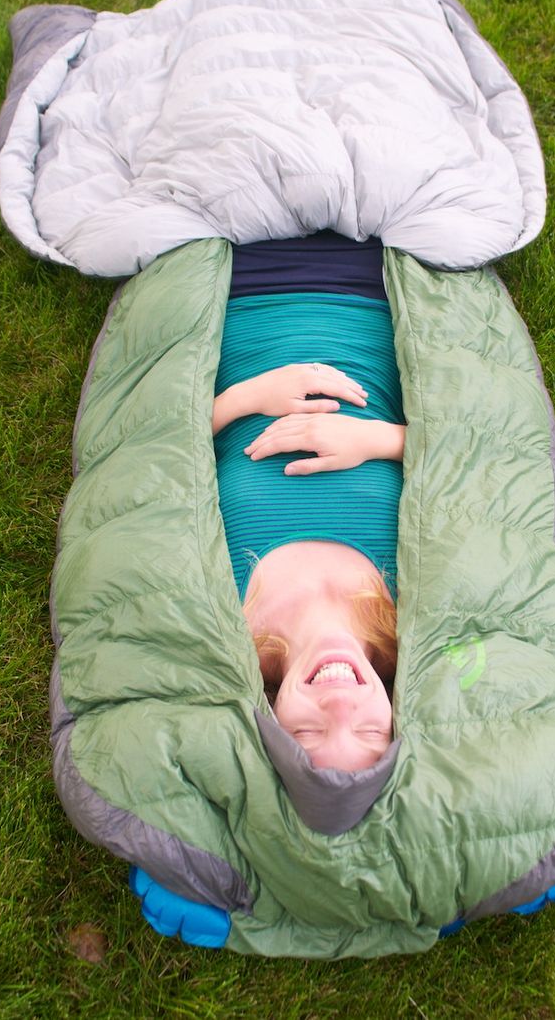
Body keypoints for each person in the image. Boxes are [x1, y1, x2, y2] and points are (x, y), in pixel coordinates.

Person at [211, 231, 406, 772]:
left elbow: (159, 463)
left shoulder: (232, 619)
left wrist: (250, 396)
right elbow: (468, 467)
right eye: (370, 729)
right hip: (372, 284)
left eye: (309, 729)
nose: (340, 703)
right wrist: (378, 441)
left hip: (239, 285)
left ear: (274, 714)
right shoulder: (407, 614)